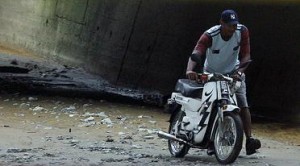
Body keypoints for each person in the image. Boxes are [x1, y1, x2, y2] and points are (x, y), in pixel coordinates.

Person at [186, 9, 261, 155]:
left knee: (242, 104)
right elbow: (197, 52)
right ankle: (208, 139)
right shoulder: (210, 35)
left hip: (233, 73)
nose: (232, 29)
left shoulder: (242, 31)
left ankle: (249, 140)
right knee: (212, 105)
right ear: (221, 23)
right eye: (229, 26)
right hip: (212, 74)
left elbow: (246, 55)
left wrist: (239, 73)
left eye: (234, 25)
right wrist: (190, 70)